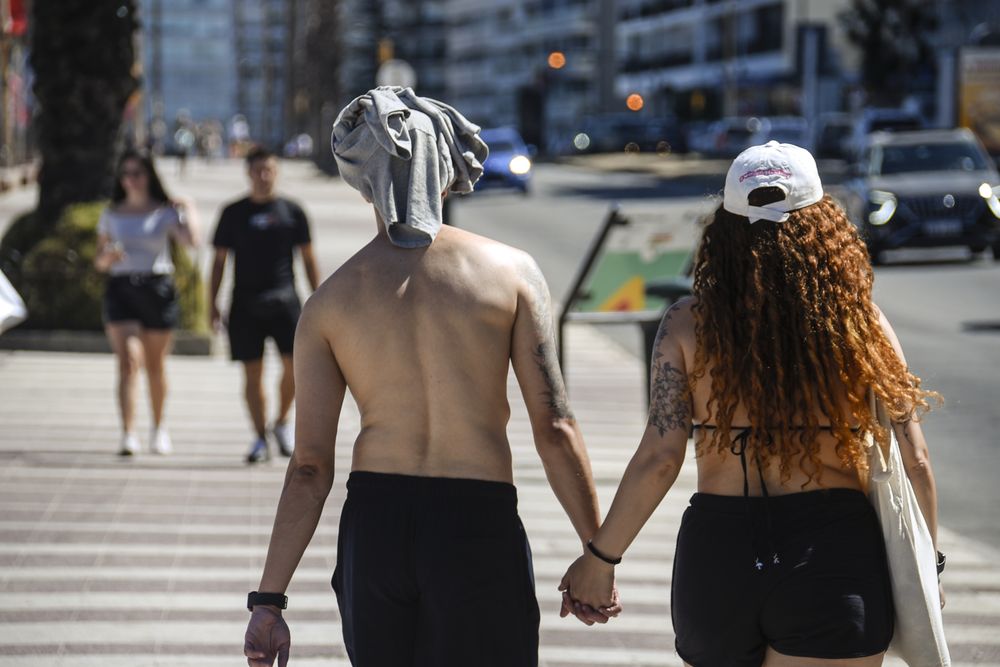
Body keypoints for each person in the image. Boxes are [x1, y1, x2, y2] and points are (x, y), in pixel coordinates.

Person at [242, 87, 616, 667]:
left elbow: (310, 467)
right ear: (446, 171)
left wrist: (269, 601)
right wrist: (599, 553)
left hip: (377, 526)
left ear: (361, 179)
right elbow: (556, 426)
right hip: (477, 520)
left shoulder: (330, 301)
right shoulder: (512, 274)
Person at [560, 141, 944, 666]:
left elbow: (661, 457)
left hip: (720, 556)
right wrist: (928, 568)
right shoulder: (861, 326)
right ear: (825, 226)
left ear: (725, 229)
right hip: (833, 554)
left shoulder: (686, 324)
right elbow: (916, 460)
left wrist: (601, 559)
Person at [209, 146, 321, 464]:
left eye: (269, 169)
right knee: (252, 374)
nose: (264, 176)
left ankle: (282, 423)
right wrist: (212, 304)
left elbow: (309, 259)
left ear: (277, 171)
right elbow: (218, 263)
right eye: (258, 170)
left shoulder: (293, 212)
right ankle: (259, 437)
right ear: (248, 173)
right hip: (245, 303)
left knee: (295, 369)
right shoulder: (233, 213)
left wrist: (320, 300)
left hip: (285, 299)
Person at [94, 149, 200, 456]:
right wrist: (109, 257)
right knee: (128, 362)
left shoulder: (164, 212)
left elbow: (192, 241)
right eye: (126, 174)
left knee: (155, 366)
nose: (131, 180)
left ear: (148, 177)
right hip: (121, 288)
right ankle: (128, 433)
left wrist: (189, 207)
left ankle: (158, 427)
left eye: (137, 174)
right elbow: (99, 261)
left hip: (157, 288)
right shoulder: (111, 214)